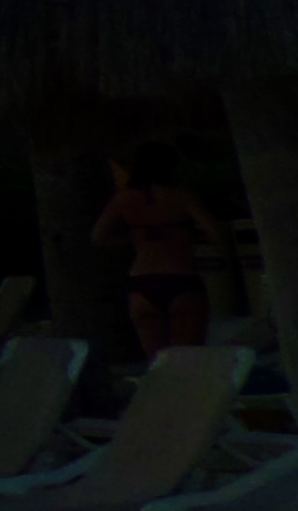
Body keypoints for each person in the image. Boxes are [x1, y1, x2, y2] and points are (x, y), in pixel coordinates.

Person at [95, 142, 228, 356]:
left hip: (142, 281)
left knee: (157, 364)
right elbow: (216, 233)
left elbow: (98, 237)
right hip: (180, 277)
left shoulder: (124, 199)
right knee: (188, 359)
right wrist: (187, 236)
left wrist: (134, 239)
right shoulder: (182, 196)